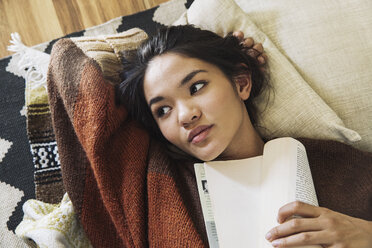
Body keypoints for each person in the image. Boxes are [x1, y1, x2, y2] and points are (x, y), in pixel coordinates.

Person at [117, 25, 372, 247]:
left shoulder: (334, 164)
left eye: (196, 87)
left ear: (241, 83)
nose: (184, 115)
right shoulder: (163, 187)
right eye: (163, 110)